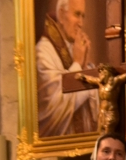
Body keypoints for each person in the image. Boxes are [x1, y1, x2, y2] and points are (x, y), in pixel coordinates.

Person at [36, 0, 98, 137]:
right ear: (61, 15)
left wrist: (84, 66)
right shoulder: (43, 53)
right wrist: (77, 63)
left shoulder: (75, 48)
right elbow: (53, 109)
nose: (81, 23)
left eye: (83, 16)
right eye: (77, 14)